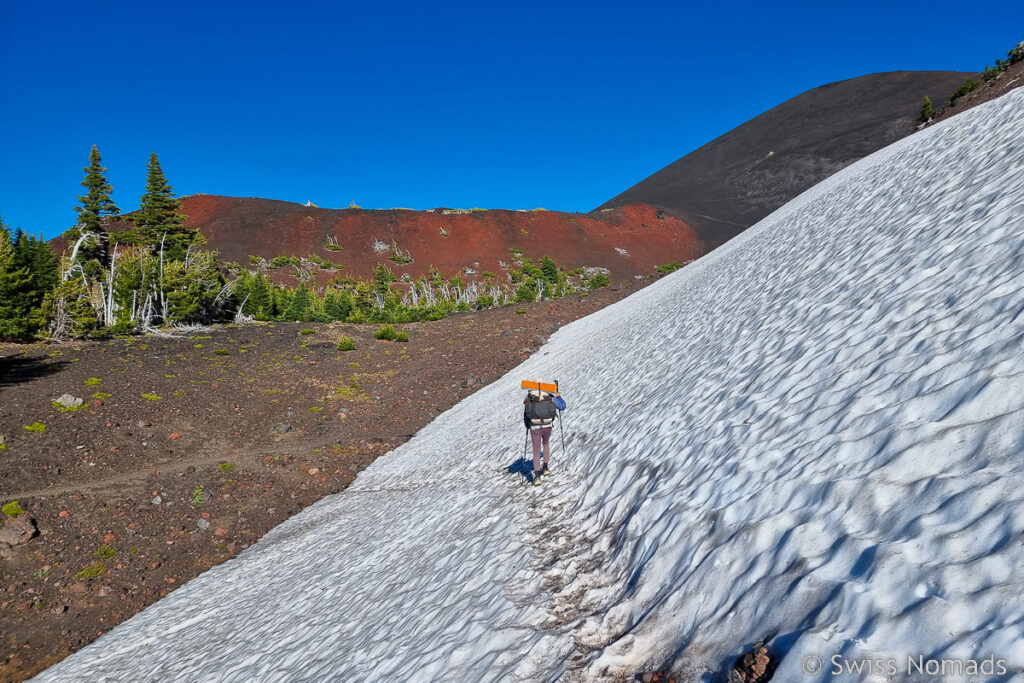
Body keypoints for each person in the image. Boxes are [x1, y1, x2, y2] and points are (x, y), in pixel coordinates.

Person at [523, 388, 566, 484]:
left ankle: (537, 476)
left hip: (535, 427)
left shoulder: (530, 397)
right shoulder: (549, 396)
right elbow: (562, 406)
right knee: (546, 444)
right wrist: (558, 397)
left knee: (536, 450)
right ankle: (545, 467)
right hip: (548, 426)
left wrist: (527, 425)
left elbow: (526, 414)